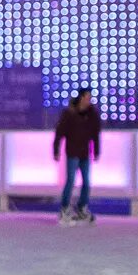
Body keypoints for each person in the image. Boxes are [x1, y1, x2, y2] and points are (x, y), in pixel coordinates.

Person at [53, 88, 101, 225]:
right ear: (80, 98)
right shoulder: (69, 113)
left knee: (86, 182)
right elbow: (60, 132)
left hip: (85, 153)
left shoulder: (92, 114)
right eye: (86, 97)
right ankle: (64, 209)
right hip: (73, 152)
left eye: (90, 98)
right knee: (71, 181)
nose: (89, 100)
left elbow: (95, 134)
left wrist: (96, 151)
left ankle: (81, 208)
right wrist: (56, 150)